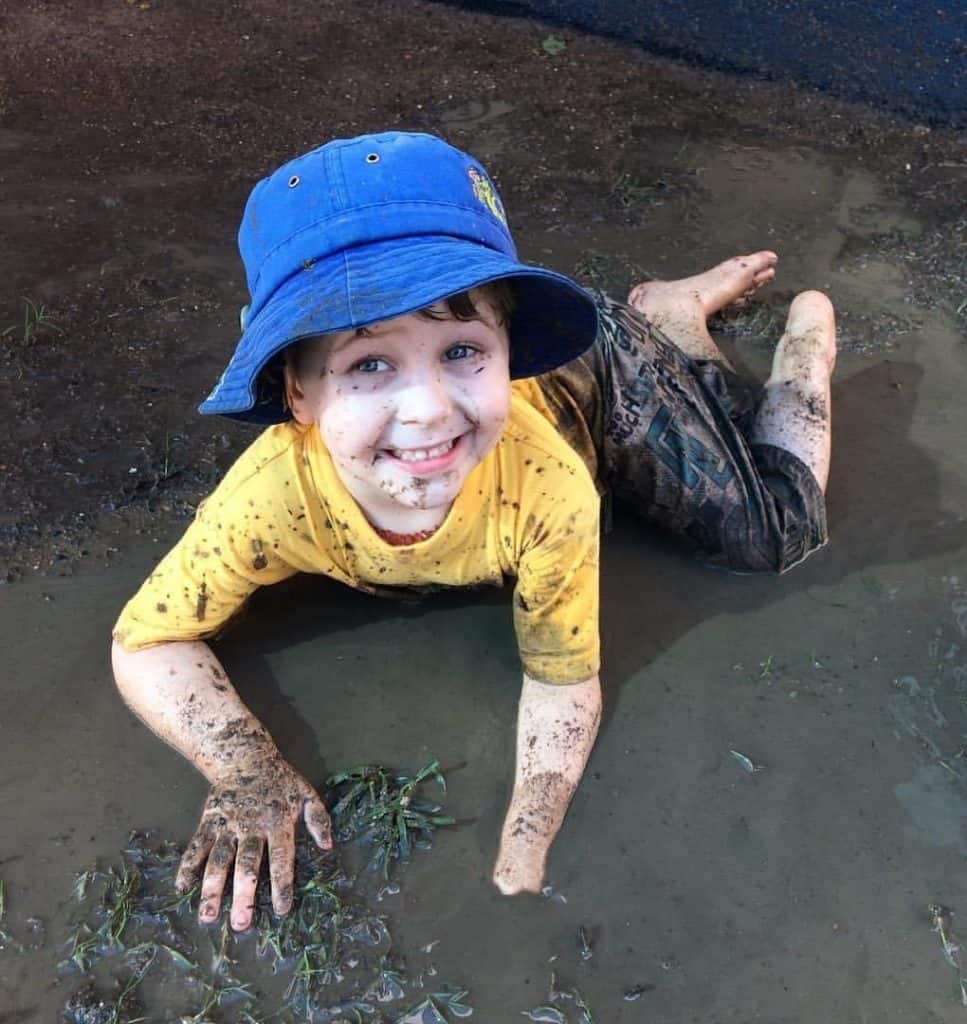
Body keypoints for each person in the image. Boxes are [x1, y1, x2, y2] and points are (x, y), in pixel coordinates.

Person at [111, 131, 835, 934]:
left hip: (603, 371)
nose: (427, 410)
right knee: (704, 438)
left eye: (463, 351)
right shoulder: (270, 499)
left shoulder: (546, 487)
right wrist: (244, 771)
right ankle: (672, 323)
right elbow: (147, 642)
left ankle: (778, 357)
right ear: (298, 393)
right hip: (539, 401)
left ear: (508, 351)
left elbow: (563, 681)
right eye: (369, 365)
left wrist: (525, 850)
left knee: (774, 537)